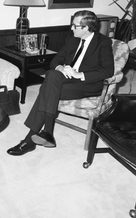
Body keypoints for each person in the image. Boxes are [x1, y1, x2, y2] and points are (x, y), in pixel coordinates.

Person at [7, 10, 114, 156]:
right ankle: (47, 132)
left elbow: (108, 71)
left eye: (75, 26)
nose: (71, 28)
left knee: (47, 90)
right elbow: (56, 60)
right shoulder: (72, 38)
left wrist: (79, 74)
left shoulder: (103, 42)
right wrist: (61, 68)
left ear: (86, 28)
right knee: (52, 75)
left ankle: (30, 140)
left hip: (86, 84)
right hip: (66, 78)